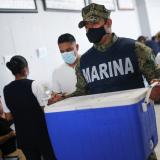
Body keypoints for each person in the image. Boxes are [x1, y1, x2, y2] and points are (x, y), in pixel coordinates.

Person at [60, 3, 160, 160]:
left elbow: (156, 85)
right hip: (103, 132)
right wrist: (62, 99)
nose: (90, 29)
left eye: (94, 23)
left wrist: (156, 89)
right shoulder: (83, 62)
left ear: (108, 22)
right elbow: (82, 92)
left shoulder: (136, 49)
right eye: (86, 25)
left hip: (134, 128)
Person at [3, 55, 57, 160]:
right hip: (40, 133)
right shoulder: (34, 84)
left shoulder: (6, 89)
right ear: (25, 69)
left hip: (22, 136)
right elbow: (44, 109)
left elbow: (8, 116)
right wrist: (52, 100)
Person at [49, 33, 80, 104]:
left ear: (77, 47)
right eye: (62, 51)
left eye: (69, 50)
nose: (65, 53)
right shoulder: (57, 72)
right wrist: (54, 99)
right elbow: (56, 96)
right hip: (70, 110)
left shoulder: (88, 63)